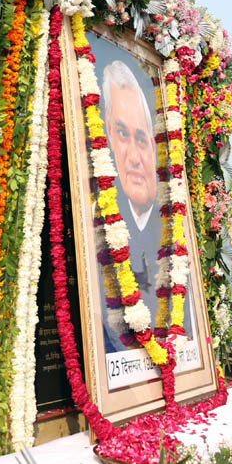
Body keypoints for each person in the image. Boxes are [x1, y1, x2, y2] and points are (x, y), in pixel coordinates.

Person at [100, 61, 169, 351]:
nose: (133, 156)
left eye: (141, 139)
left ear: (155, 148)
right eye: (122, 135)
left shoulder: (169, 229)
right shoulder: (103, 221)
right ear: (108, 139)